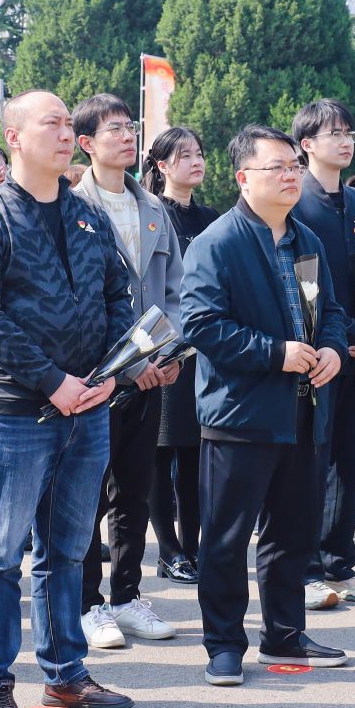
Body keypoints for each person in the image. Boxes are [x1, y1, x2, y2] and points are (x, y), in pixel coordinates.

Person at [0, 91, 135, 708]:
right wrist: (52, 381)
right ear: (14, 137)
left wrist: (110, 375)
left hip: (89, 408)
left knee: (70, 549)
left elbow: (121, 293)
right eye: (51, 123)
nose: (64, 133)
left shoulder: (88, 217)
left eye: (67, 123)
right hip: (17, 412)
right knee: (0, 552)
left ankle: (65, 672)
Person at [181, 125, 351, 684]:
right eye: (276, 167)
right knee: (226, 539)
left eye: (294, 166)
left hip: (304, 410)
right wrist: (276, 353)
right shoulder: (217, 243)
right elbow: (201, 324)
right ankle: (223, 644)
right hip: (241, 413)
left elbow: (329, 311)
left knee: (293, 534)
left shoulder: (306, 241)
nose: (290, 176)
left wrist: (332, 349)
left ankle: (284, 632)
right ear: (243, 177)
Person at [71, 95, 185, 648]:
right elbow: (77, 301)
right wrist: (122, 368)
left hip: (152, 372)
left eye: (130, 127)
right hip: (96, 378)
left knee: (134, 490)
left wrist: (166, 354)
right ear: (86, 143)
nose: (127, 136)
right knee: (88, 494)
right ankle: (86, 603)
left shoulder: (154, 208)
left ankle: (127, 595)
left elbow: (175, 291)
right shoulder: (73, 207)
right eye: (113, 129)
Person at [290, 99, 355, 609]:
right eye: (334, 133)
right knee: (312, 459)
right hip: (318, 353)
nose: (346, 141)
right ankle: (304, 567)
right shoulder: (297, 201)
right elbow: (307, 282)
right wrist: (350, 331)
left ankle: (338, 561)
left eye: (349, 133)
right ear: (307, 144)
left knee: (349, 463)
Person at [146, 127, 218, 583]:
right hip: (161, 345)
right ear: (162, 165)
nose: (196, 161)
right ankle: (168, 551)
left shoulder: (211, 218)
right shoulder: (152, 214)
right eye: (184, 155)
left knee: (195, 455)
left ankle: (193, 547)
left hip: (203, 349)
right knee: (159, 452)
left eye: (199, 153)